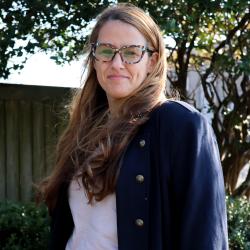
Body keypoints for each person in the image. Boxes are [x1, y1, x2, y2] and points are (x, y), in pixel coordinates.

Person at [39, 3, 229, 250]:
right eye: (106, 51)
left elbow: (205, 237)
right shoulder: (83, 132)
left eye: (131, 53)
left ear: (152, 61)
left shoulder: (181, 125)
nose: (117, 63)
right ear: (94, 59)